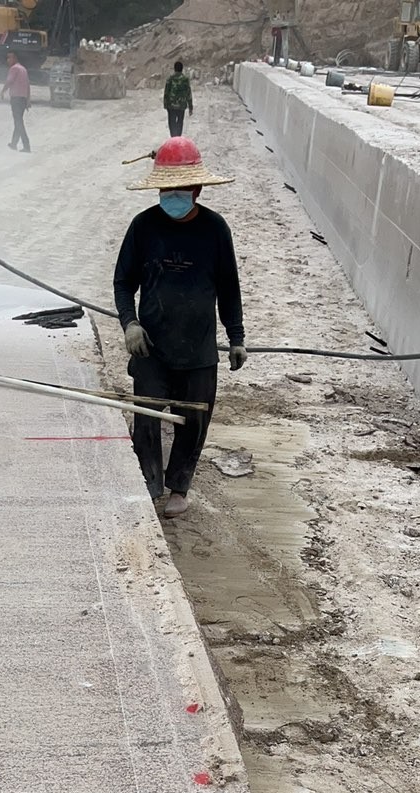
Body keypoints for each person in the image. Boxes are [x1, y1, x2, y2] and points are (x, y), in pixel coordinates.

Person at [113, 137, 247, 520]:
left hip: (198, 348)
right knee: (147, 417)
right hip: (151, 347)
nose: (172, 196)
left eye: (180, 189)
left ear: (196, 189)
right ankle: (149, 483)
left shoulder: (215, 229)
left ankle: (179, 487)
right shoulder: (143, 227)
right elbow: (123, 282)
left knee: (194, 420)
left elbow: (229, 288)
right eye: (166, 190)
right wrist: (130, 324)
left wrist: (236, 337)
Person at [1, 49, 31, 152]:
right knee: (18, 121)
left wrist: (3, 91)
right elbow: (28, 85)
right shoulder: (23, 69)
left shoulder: (14, 69)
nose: (8, 60)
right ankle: (14, 143)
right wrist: (28, 100)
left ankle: (26, 145)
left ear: (15, 58)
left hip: (16, 99)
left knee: (18, 122)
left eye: (9, 58)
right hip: (23, 99)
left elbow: (9, 81)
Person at [163, 60, 193, 138]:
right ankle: (178, 137)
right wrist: (190, 106)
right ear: (182, 69)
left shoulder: (170, 78)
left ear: (174, 69)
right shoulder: (185, 79)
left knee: (172, 122)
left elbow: (166, 92)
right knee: (180, 122)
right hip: (181, 105)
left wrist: (165, 104)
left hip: (171, 105)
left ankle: (173, 137)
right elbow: (188, 93)